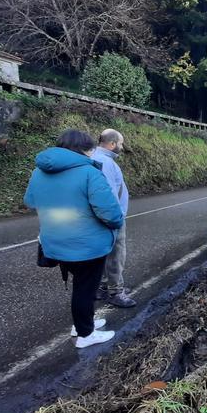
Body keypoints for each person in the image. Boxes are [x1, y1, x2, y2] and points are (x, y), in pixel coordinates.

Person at [24, 129, 124, 348]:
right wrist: (116, 223)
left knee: (80, 285)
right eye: (90, 149)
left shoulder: (39, 172)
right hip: (87, 244)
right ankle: (85, 335)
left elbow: (30, 200)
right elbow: (109, 212)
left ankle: (81, 324)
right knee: (85, 287)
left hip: (55, 240)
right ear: (84, 150)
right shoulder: (89, 172)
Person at [91, 129, 136, 308]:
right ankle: (116, 291)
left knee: (102, 253)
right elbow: (108, 194)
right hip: (111, 216)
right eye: (120, 143)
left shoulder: (94, 157)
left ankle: (102, 287)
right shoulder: (106, 162)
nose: (122, 147)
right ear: (112, 144)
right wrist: (114, 218)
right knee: (116, 254)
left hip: (99, 216)